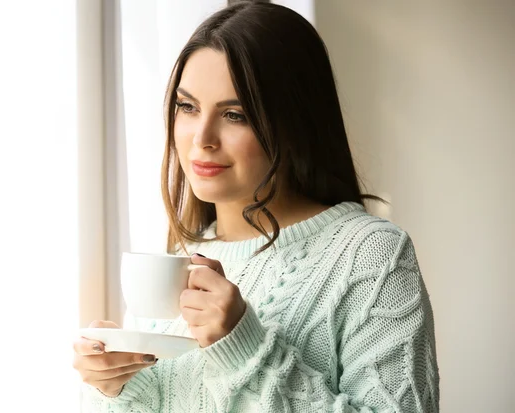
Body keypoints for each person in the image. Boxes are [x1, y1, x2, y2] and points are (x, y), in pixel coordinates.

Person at [72, 2, 440, 412]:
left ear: (294, 122)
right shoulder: (179, 262)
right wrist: (115, 389)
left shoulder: (372, 255)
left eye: (235, 114)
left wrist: (246, 351)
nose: (202, 138)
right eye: (187, 107)